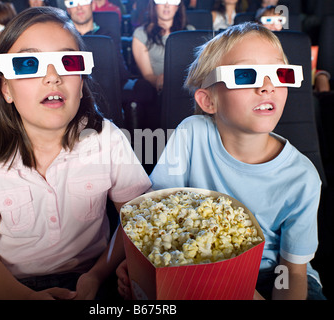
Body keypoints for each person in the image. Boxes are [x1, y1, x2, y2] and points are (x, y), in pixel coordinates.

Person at [0, 6, 151, 300]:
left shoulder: (107, 139)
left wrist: (98, 274)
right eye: (30, 64)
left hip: (92, 275)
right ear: (6, 89)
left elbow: (136, 220)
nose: (53, 77)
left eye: (68, 62)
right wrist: (24, 297)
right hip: (8, 284)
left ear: (81, 85)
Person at [117, 22, 326, 300]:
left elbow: (294, 271)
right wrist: (141, 261)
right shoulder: (191, 133)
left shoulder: (303, 177)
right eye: (244, 75)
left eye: (278, 74)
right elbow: (159, 212)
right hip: (194, 265)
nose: (266, 86)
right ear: (208, 101)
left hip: (273, 274)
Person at [129, 0, 193, 130]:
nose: (167, 4)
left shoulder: (190, 31)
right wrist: (160, 80)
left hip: (187, 89)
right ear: (154, 5)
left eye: (172, 1)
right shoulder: (141, 34)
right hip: (158, 92)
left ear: (178, 7)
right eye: (162, 0)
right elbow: (147, 74)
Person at [65, 0, 130, 87]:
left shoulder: (109, 36)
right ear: (68, 9)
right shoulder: (63, 38)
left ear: (92, 5)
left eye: (83, 1)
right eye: (72, 3)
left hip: (107, 88)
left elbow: (120, 71)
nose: (79, 7)